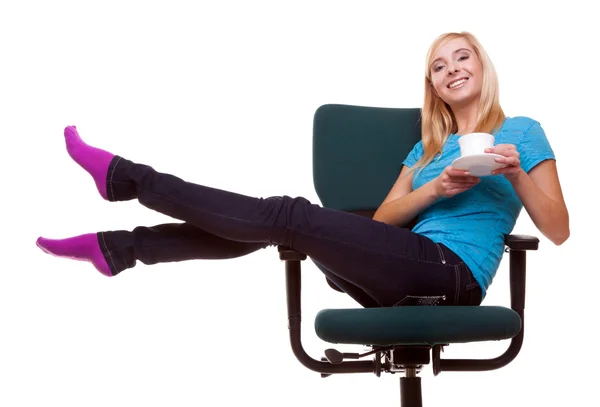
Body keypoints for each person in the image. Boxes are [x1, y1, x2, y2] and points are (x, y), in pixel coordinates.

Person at [36, 31, 569, 309]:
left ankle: (126, 192)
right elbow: (385, 221)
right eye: (439, 65)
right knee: (287, 221)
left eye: (463, 58)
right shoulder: (427, 150)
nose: (452, 69)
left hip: (452, 277)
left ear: (483, 67)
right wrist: (435, 186)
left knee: (288, 217)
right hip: (396, 265)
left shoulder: (520, 131)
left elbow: (560, 230)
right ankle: (120, 245)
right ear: (431, 84)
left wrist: (516, 174)